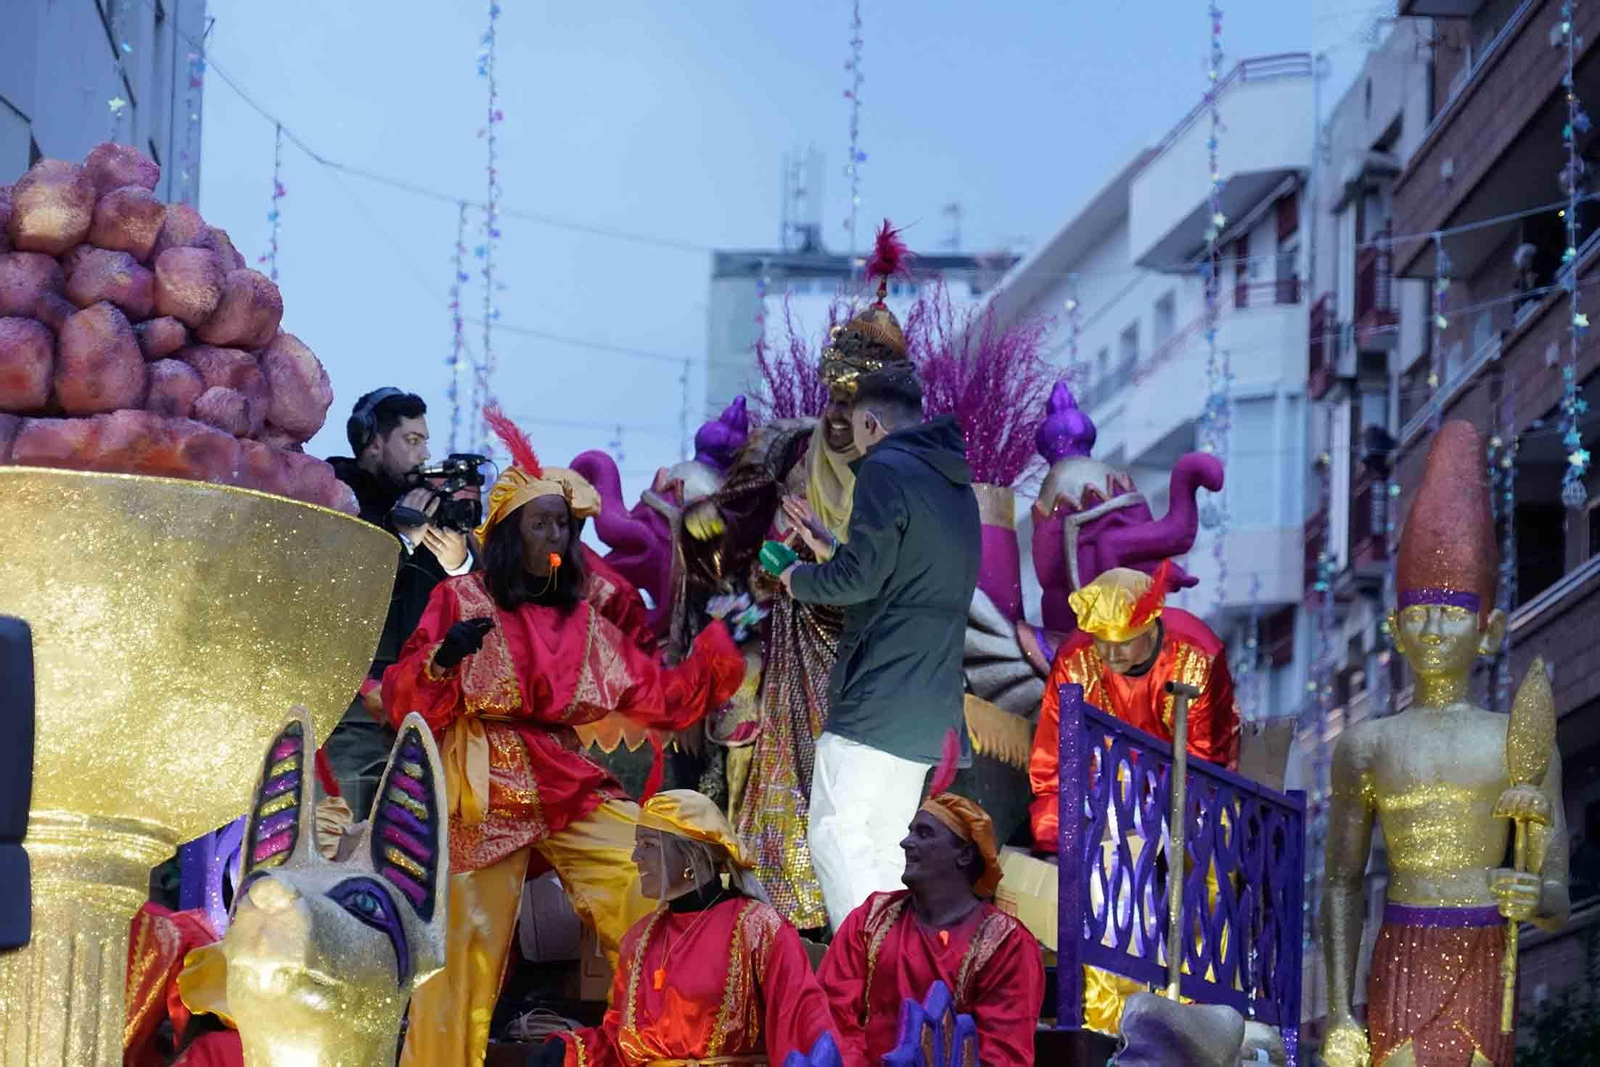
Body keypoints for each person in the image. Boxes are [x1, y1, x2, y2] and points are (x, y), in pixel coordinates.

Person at [383, 408, 745, 1067]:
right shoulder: (460, 599)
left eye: (564, 524)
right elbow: (404, 698)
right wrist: (442, 659)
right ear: (508, 534)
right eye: (541, 522)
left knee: (643, 881)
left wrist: (722, 640)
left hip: (559, 777)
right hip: (480, 790)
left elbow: (654, 694)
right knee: (459, 955)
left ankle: (668, 1041)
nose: (555, 535)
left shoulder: (580, 618)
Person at [678, 228, 917, 932]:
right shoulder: (787, 446)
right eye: (833, 400)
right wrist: (707, 530)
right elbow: (730, 530)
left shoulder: (910, 479)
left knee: (861, 815)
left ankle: (862, 927)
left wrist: (828, 555)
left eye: (857, 405)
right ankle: (758, 899)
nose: (840, 419)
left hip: (868, 662)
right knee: (742, 716)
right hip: (784, 643)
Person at [1320, 420, 1570, 1067]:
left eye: (1453, 610)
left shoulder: (1516, 742)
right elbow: (1343, 881)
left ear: (1489, 630)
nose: (1433, 627)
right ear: (1394, 627)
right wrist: (1342, 1012)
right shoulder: (1365, 745)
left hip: (1488, 957)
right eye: (1419, 611)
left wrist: (1534, 896)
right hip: (1403, 951)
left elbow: (1557, 894)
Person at [780, 365, 981, 930]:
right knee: (890, 850)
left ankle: (866, 964)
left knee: (836, 831)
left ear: (870, 421)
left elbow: (861, 582)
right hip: (931, 704)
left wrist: (799, 578)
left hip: (879, 697)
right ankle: (897, 969)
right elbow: (901, 580)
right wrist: (831, 548)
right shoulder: (957, 486)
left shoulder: (886, 470)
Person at [525, 790, 838, 1067]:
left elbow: (802, 1025)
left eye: (647, 844)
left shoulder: (757, 928)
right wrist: (567, 1053)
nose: (636, 857)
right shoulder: (640, 939)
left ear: (691, 853)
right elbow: (618, 1043)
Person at [324, 387, 474, 819]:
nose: (423, 453)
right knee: (345, 837)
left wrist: (458, 562)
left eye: (425, 440)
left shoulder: (428, 500)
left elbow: (477, 591)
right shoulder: (336, 492)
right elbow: (336, 577)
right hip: (352, 712)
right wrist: (399, 536)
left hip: (424, 708)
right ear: (372, 442)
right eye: (411, 441)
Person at [1027, 560, 1239, 854]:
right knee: (1053, 825)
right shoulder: (1074, 659)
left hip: (1182, 788)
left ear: (1149, 629)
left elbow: (1204, 758)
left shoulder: (1197, 654)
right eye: (1102, 641)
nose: (1111, 654)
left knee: (1211, 836)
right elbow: (1054, 759)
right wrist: (1055, 837)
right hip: (1102, 788)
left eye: (1123, 642)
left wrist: (1150, 814)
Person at [817, 792, 1044, 1067]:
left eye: (924, 834)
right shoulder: (870, 918)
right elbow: (831, 1016)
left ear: (964, 855)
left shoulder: (1007, 944)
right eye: (910, 832)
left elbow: (1002, 1055)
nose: (905, 842)